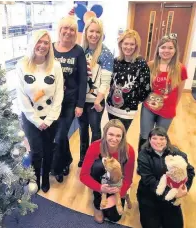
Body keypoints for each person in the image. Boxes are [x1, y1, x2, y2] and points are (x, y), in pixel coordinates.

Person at [16, 30, 64, 193]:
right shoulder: (21, 65)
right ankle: (35, 178)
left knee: (49, 149)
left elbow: (59, 94)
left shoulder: (55, 66)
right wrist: (36, 120)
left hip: (51, 116)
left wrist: (49, 120)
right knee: (36, 151)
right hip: (31, 118)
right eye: (39, 41)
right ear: (33, 43)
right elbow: (21, 96)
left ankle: (45, 179)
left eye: (46, 42)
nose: (42, 45)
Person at [52, 15, 87, 182]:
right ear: (59, 29)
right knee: (59, 135)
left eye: (72, 29)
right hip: (51, 102)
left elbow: (82, 80)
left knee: (60, 135)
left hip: (69, 102)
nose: (68, 32)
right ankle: (67, 160)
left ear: (75, 32)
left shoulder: (78, 51)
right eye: (65, 28)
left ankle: (57, 168)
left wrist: (80, 104)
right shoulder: (51, 49)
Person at [137, 127, 195, 228]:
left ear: (167, 140)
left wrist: (184, 188)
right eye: (154, 138)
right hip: (150, 197)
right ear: (149, 140)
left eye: (162, 138)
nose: (158, 142)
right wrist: (173, 194)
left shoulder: (176, 153)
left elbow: (189, 171)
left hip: (172, 197)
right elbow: (149, 181)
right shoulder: (143, 155)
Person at [138, 34, 188, 151]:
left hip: (167, 110)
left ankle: (155, 162)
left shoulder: (180, 69)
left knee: (159, 138)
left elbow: (179, 93)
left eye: (170, 48)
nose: (166, 50)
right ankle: (142, 161)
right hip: (148, 108)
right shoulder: (150, 65)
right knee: (145, 136)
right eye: (163, 47)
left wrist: (172, 107)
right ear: (158, 49)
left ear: (175, 51)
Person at [80, 119, 135, 223]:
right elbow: (83, 175)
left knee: (114, 217)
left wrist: (117, 194)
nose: (114, 139)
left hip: (117, 184)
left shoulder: (129, 151)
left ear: (123, 136)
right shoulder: (95, 146)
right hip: (100, 181)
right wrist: (100, 188)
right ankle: (97, 201)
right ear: (105, 134)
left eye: (118, 136)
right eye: (111, 134)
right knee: (98, 166)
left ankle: (107, 200)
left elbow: (128, 179)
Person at [77, 17, 114, 168]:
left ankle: (94, 159)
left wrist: (98, 100)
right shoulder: (80, 51)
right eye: (91, 31)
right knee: (82, 129)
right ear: (86, 32)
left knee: (95, 130)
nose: (94, 35)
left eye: (97, 32)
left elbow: (105, 81)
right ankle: (83, 156)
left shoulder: (105, 53)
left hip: (95, 101)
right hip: (81, 101)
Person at [106, 29, 151, 131]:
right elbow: (111, 82)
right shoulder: (116, 61)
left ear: (136, 46)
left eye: (132, 44)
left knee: (120, 137)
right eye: (126, 43)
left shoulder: (141, 63)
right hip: (111, 107)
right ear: (121, 44)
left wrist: (134, 101)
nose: (128, 47)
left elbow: (146, 88)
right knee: (111, 135)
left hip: (127, 110)